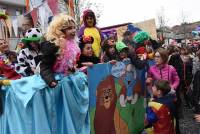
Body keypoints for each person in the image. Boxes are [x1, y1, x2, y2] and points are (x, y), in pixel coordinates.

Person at [39, 13, 81, 88]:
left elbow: (66, 64)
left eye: (74, 27)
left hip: (65, 79)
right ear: (60, 31)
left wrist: (72, 68)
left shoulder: (73, 45)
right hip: (54, 80)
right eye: (69, 28)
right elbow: (44, 66)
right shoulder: (53, 45)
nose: (74, 30)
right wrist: (50, 80)